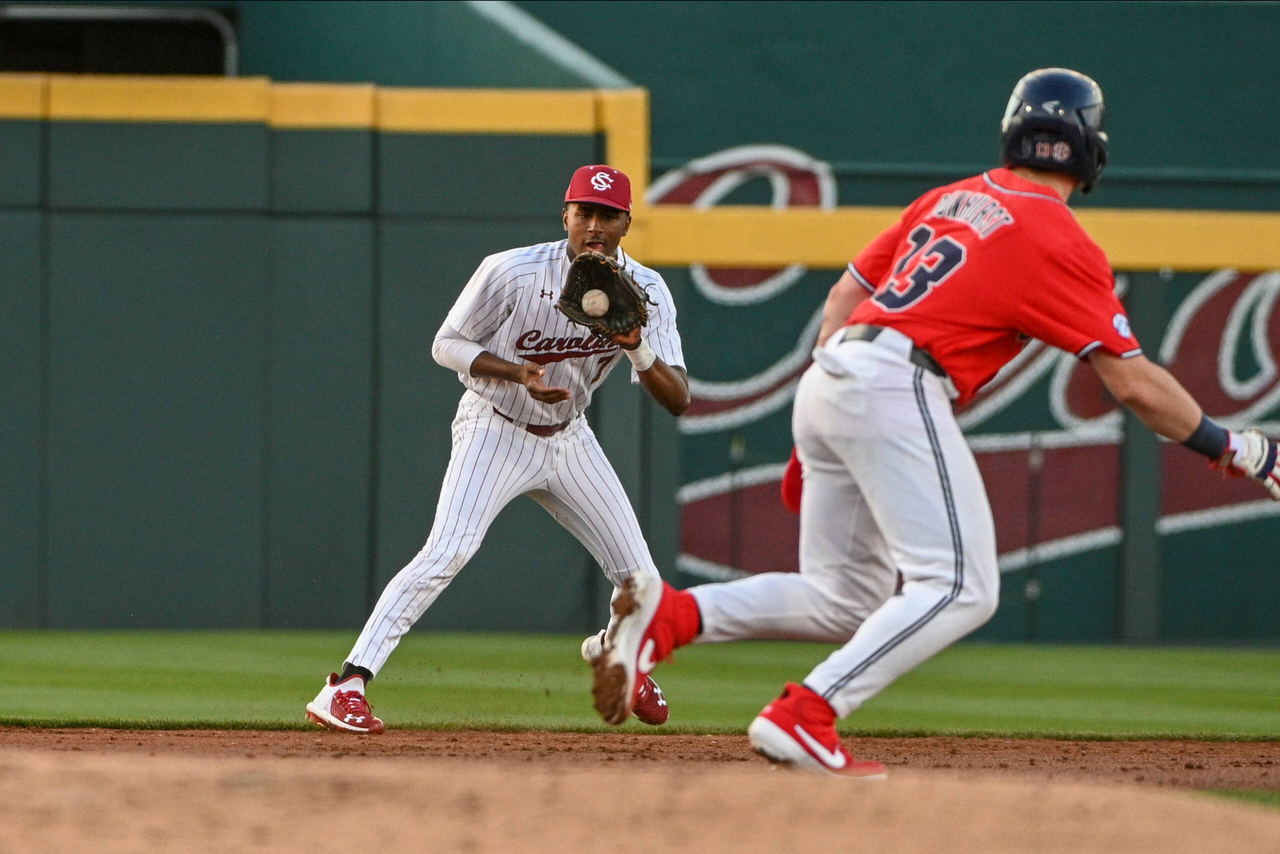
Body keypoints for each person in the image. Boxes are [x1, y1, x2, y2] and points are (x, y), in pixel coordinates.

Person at [589, 68, 1280, 776]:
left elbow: (844, 295)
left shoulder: (951, 198)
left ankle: (670, 618)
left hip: (835, 372)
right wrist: (1234, 446)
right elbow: (1132, 381)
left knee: (842, 600)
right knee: (960, 587)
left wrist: (818, 424)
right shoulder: (1061, 238)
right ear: (1090, 148)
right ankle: (806, 714)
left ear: (1014, 132)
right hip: (898, 382)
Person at [307, 165, 690, 733]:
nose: (594, 225)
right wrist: (517, 372)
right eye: (584, 212)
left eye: (608, 215)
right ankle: (345, 686)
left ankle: (616, 653)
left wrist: (636, 347)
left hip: (569, 436)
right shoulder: (512, 270)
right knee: (448, 551)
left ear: (627, 223)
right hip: (496, 426)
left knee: (644, 585)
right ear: (565, 215)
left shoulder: (648, 291)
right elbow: (446, 344)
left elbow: (678, 397)